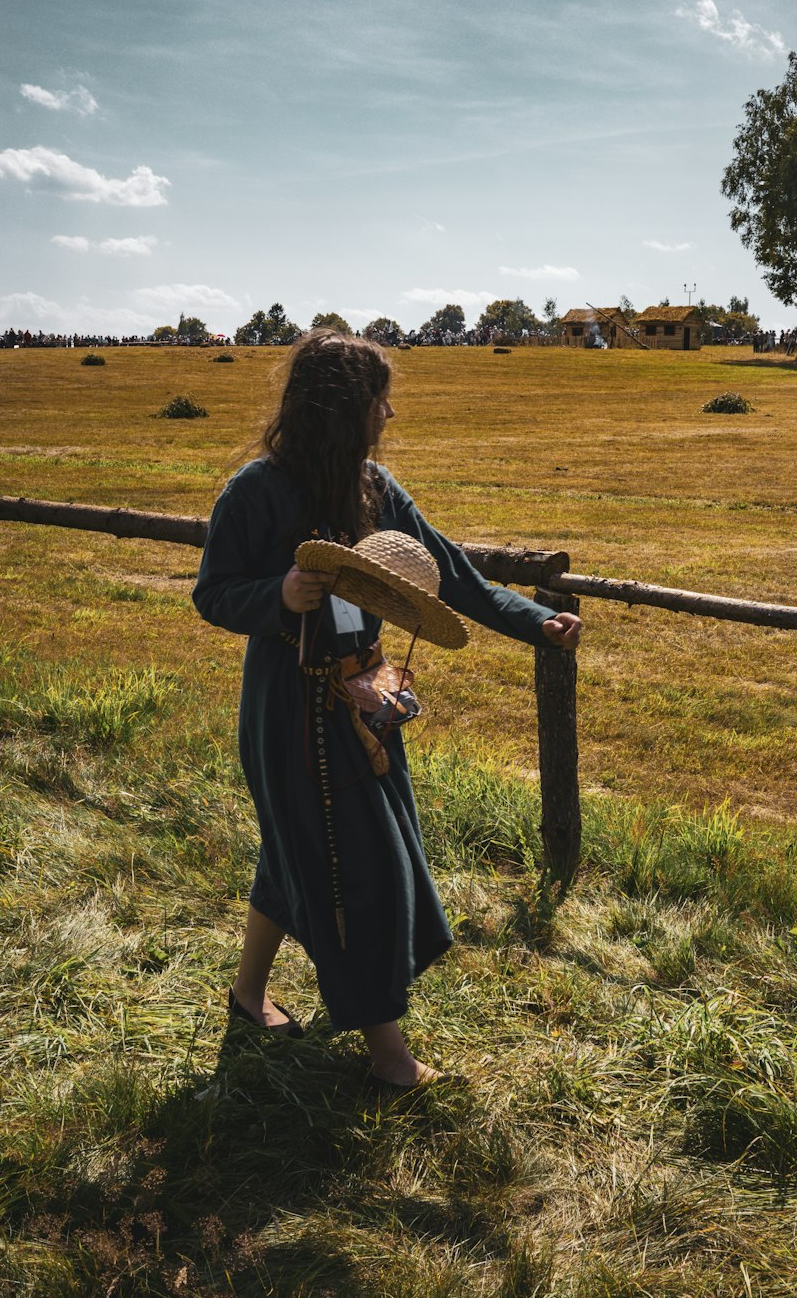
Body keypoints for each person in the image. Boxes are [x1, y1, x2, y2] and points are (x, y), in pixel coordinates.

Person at [192, 329, 581, 1087]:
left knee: (298, 849)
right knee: (357, 868)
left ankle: (247, 995)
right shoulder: (255, 491)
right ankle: (388, 1056)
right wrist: (277, 595)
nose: (390, 413)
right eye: (379, 401)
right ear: (342, 410)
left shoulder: (377, 489)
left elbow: (454, 581)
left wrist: (536, 622)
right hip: (285, 715)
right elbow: (213, 593)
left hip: (363, 705)